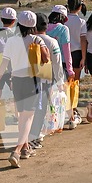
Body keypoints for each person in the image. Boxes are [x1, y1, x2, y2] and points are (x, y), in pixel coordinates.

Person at [0, 11, 50, 168]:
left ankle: (26, 148)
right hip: (32, 81)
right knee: (28, 118)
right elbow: (46, 58)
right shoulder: (37, 39)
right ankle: (17, 151)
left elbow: (4, 64)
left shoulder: (12, 41)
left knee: (22, 117)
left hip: (16, 81)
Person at [29, 12, 64, 149]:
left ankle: (30, 136)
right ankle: (35, 136)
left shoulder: (28, 40)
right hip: (45, 80)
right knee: (41, 109)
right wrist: (60, 82)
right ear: (47, 26)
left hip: (28, 79)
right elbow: (57, 63)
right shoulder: (52, 42)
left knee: (29, 110)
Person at [46, 5, 78, 128]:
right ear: (63, 18)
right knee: (64, 92)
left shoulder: (45, 28)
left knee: (49, 93)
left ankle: (51, 118)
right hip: (62, 64)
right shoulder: (63, 29)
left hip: (47, 64)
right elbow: (67, 51)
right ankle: (71, 118)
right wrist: (70, 70)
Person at [65, 0, 86, 124]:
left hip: (64, 54)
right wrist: (84, 57)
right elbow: (83, 41)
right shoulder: (81, 22)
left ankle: (67, 109)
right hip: (77, 53)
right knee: (75, 83)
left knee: (65, 83)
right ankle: (73, 108)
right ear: (79, 7)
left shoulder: (63, 20)